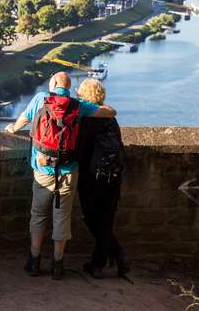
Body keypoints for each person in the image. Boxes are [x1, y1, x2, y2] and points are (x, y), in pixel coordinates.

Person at [5, 72, 117, 280]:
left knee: (38, 215)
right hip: (67, 170)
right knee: (62, 217)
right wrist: (88, 104)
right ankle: (58, 264)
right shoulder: (78, 105)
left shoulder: (41, 98)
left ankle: (34, 260)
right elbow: (110, 112)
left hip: (42, 169)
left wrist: (12, 128)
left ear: (54, 83)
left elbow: (24, 118)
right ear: (68, 86)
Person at [75, 78, 129, 279]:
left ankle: (114, 256)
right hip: (113, 176)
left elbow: (80, 150)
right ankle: (103, 262)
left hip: (91, 178)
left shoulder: (85, 119)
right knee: (106, 220)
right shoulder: (110, 118)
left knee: (91, 219)